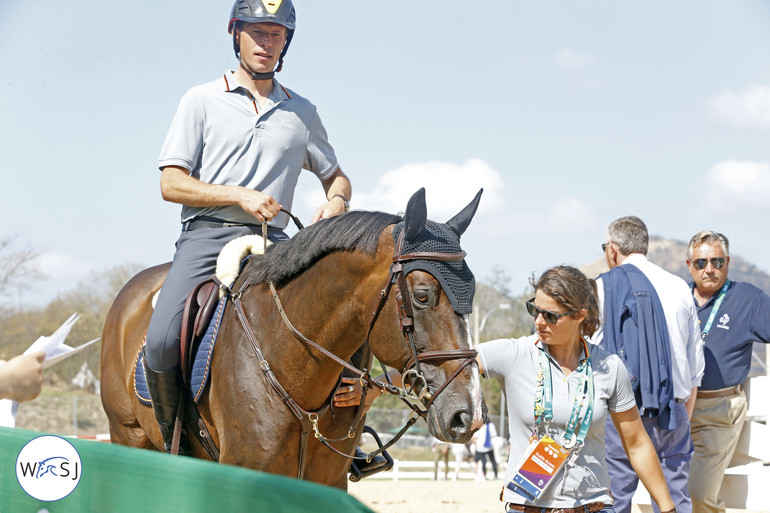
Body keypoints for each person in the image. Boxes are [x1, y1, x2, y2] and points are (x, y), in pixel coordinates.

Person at [143, 0, 352, 453]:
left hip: (274, 241)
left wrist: (336, 201)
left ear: (286, 42)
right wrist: (238, 193)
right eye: (256, 32)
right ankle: (173, 438)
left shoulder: (303, 111)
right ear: (236, 34)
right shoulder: (200, 99)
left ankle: (346, 444)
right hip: (207, 234)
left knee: (345, 313)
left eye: (276, 34)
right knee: (160, 340)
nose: (266, 41)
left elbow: (337, 176)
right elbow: (171, 183)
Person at [336, 266, 676, 512]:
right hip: (527, 505)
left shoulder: (610, 367)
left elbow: (637, 443)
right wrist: (376, 387)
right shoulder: (514, 354)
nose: (539, 322)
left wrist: (668, 508)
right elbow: (442, 363)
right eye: (535, 310)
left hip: (593, 505)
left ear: (579, 317)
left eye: (551, 316)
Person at [595, 216, 703, 513]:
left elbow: (588, 351)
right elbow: (696, 365)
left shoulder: (602, 288)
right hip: (674, 411)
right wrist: (682, 413)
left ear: (613, 249)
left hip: (623, 415)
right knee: (675, 500)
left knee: (614, 499)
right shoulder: (680, 287)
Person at [685, 231, 770, 513]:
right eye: (701, 263)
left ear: (728, 262)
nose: (709, 269)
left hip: (718, 411)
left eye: (717, 261)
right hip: (676, 408)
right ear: (689, 266)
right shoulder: (677, 299)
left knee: (699, 492)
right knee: (670, 489)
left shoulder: (749, 298)